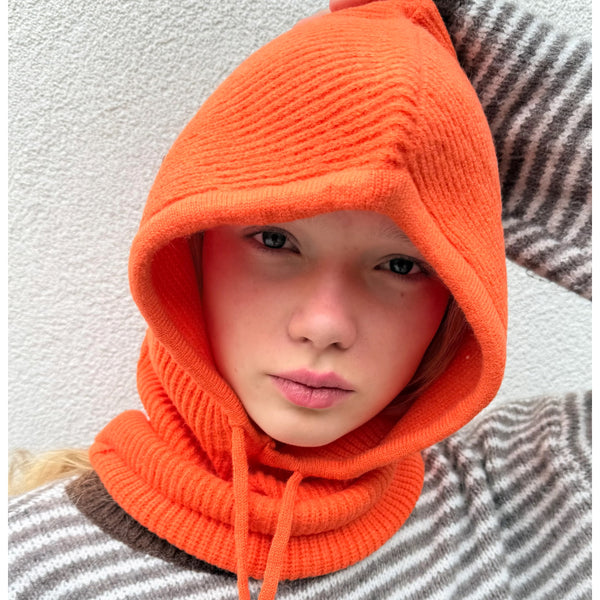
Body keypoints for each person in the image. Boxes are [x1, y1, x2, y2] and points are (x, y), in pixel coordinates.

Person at [8, 0, 591, 599]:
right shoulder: (31, 564)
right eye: (275, 239)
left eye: (400, 265)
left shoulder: (531, 491)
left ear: (459, 299)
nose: (324, 325)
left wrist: (430, 32)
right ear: (190, 250)